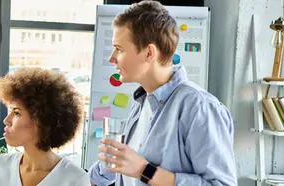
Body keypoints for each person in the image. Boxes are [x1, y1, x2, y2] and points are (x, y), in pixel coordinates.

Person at [88, 1, 237, 186]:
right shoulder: (141, 102)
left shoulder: (200, 108)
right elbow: (119, 168)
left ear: (149, 53)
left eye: (119, 49)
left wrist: (144, 170)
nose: (112, 58)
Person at [0, 67, 90, 186]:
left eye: (16, 113)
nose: (6, 120)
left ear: (42, 120)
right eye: (10, 111)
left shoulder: (74, 179)